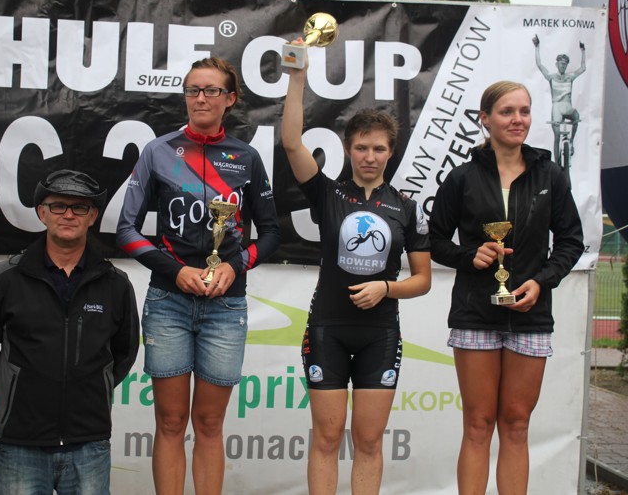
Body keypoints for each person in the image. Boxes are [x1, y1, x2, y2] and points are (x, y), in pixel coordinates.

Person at [116, 57, 281, 495]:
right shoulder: (158, 151)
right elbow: (126, 230)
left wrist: (234, 265)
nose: (200, 98)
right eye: (193, 90)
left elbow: (272, 234)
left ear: (230, 99)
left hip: (226, 305)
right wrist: (177, 271)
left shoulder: (247, 158)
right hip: (167, 302)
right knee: (170, 422)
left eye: (211, 90)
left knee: (209, 423)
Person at [281, 45, 431, 495]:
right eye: (361, 147)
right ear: (348, 149)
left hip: (379, 334)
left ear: (391, 152)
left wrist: (386, 288)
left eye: (379, 148)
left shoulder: (406, 208)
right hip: (327, 328)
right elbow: (292, 143)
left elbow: (422, 280)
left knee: (368, 442)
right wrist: (297, 77)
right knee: (327, 439)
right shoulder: (328, 194)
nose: (370, 156)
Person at [429, 81, 584, 495]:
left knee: (516, 424)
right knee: (478, 425)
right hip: (475, 313)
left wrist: (541, 282)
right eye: (507, 111)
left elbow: (571, 242)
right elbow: (436, 240)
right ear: (485, 119)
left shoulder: (550, 174)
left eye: (524, 111)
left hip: (531, 315)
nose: (518, 120)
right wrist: (470, 256)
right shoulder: (462, 178)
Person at [0, 169, 139, 495]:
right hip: (20, 443)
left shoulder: (115, 284)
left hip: (89, 442)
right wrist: (15, 389)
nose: (68, 215)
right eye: (58, 205)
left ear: (93, 216)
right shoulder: (5, 278)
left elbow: (124, 352)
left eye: (80, 207)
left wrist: (89, 389)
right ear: (41, 213)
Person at [532, 35, 586, 163]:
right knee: (556, 136)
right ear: (557, 64)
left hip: (567, 107)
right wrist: (537, 47)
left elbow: (583, 68)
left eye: (565, 65)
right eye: (561, 64)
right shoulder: (551, 77)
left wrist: (583, 50)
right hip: (556, 107)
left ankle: (571, 142)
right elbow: (539, 65)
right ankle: (556, 163)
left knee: (576, 116)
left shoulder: (570, 77)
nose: (563, 66)